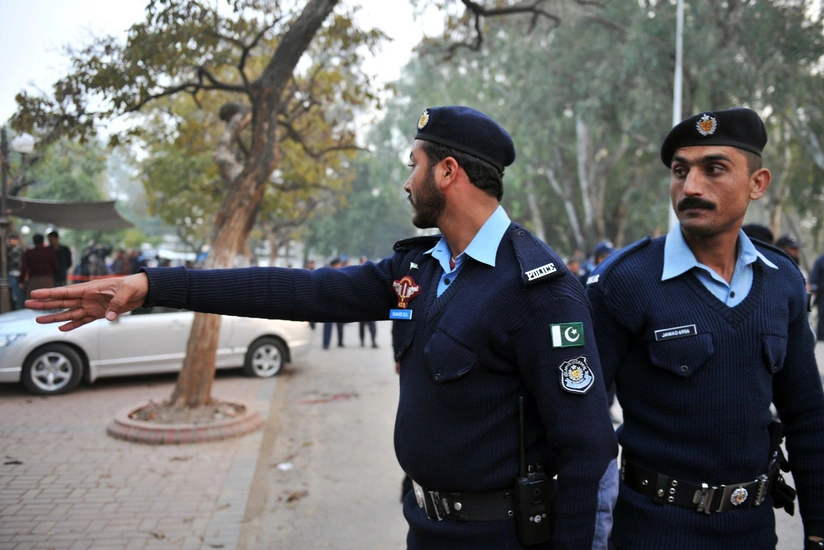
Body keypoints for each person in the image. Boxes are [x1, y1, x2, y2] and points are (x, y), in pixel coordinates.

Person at [28, 106, 618, 549]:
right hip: (426, 528)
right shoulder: (418, 267)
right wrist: (155, 285)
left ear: (447, 171)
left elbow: (587, 452)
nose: (405, 181)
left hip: (502, 538)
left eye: (412, 166)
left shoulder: (537, 288)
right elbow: (296, 290)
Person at [586, 108, 824, 549]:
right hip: (651, 534)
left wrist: (818, 531)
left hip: (752, 533)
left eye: (714, 169)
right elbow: (581, 426)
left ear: (758, 183)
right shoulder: (624, 281)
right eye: (680, 171)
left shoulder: (783, 281)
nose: (690, 187)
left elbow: (808, 417)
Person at [20, 233, 58, 298]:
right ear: (43, 241)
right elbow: (55, 266)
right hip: (47, 279)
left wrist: (21, 280)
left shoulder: (29, 253)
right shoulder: (49, 252)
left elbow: (24, 268)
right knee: (48, 300)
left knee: (34, 301)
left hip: (34, 279)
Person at [322, 257, 346, 350]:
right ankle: (326, 343)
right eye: (339, 264)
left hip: (339, 303)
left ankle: (340, 342)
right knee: (328, 325)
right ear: (335, 265)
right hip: (329, 303)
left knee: (340, 324)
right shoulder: (327, 273)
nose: (340, 266)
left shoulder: (341, 273)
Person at [358, 255, 378, 348]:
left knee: (372, 325)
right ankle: (362, 341)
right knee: (362, 326)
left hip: (371, 304)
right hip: (362, 304)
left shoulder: (372, 275)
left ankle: (373, 341)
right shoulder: (357, 274)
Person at [6, 234, 25, 309]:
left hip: (20, 273)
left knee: (19, 291)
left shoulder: (21, 250)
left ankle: (21, 306)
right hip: (11, 272)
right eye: (10, 239)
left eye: (13, 239)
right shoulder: (7, 250)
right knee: (14, 291)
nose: (11, 241)